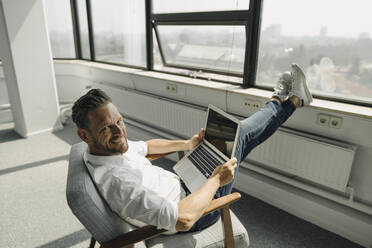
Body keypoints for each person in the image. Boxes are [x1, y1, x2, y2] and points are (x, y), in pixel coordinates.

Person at [71, 63, 313, 234]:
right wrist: (216, 180)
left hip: (184, 182)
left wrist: (187, 144)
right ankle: (286, 99)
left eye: (119, 121)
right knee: (240, 135)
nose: (119, 132)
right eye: (106, 128)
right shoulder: (117, 183)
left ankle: (289, 100)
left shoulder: (107, 152)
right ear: (84, 135)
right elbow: (183, 219)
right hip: (197, 210)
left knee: (235, 138)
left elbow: (145, 147)